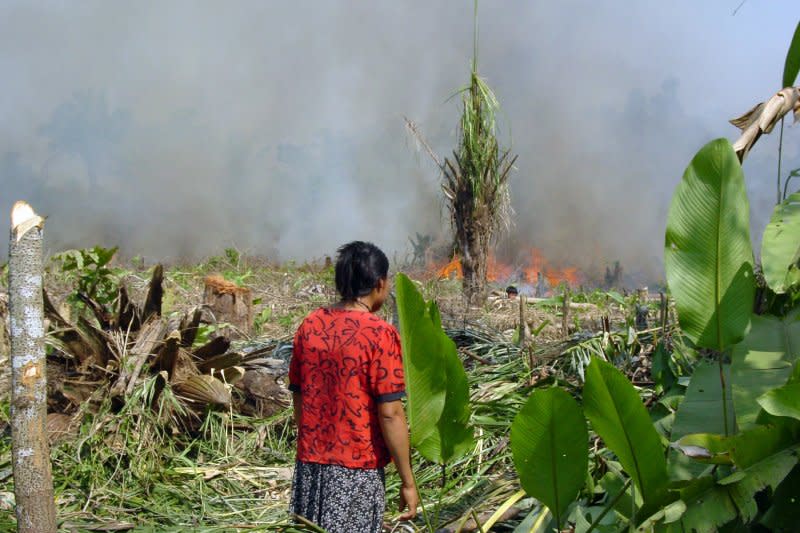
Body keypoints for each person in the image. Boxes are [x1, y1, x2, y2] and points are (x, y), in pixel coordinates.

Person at [288, 241, 418, 532]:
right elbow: (390, 414)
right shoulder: (380, 334)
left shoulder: (310, 325)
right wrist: (408, 482)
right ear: (380, 284)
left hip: (310, 468)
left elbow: (298, 394)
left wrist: (314, 443)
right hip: (357, 472)